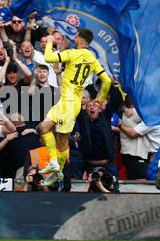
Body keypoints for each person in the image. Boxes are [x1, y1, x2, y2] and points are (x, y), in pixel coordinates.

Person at [38, 28, 112, 186]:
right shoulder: (92, 57)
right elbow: (107, 80)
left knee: (62, 141)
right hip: (67, 100)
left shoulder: (72, 53)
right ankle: (54, 164)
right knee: (44, 127)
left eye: (76, 35)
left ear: (80, 40)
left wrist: (50, 41)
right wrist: (101, 98)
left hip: (70, 103)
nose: (74, 37)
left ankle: (58, 170)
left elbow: (49, 57)